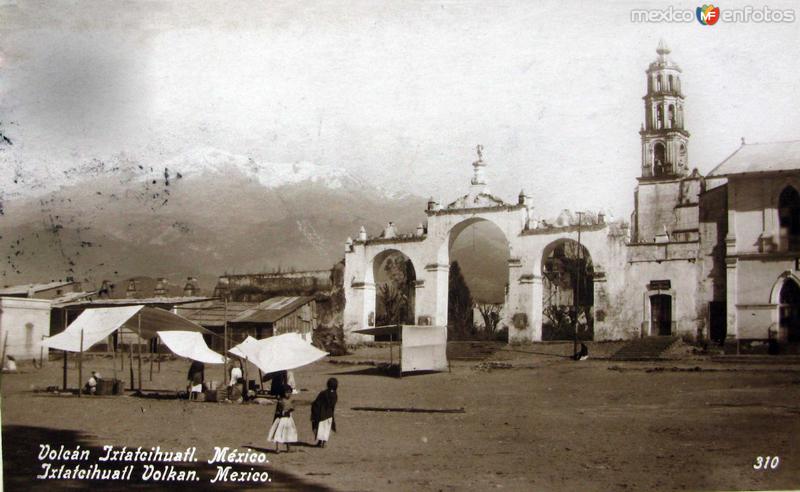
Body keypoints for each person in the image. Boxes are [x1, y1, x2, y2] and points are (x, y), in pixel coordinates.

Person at [267, 386, 297, 453]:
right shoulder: (281, 401)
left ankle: (288, 448)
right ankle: (277, 448)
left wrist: (291, 409)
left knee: (288, 433)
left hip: (288, 419)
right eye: (287, 392)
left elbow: (291, 408)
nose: (288, 394)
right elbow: (278, 412)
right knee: (278, 433)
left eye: (290, 392)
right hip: (281, 420)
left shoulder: (289, 401)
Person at [311, 377, 338, 448]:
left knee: (320, 429)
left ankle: (320, 442)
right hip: (329, 415)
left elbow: (316, 403)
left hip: (321, 415)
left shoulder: (323, 393)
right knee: (326, 430)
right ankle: (324, 442)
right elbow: (332, 405)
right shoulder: (335, 395)